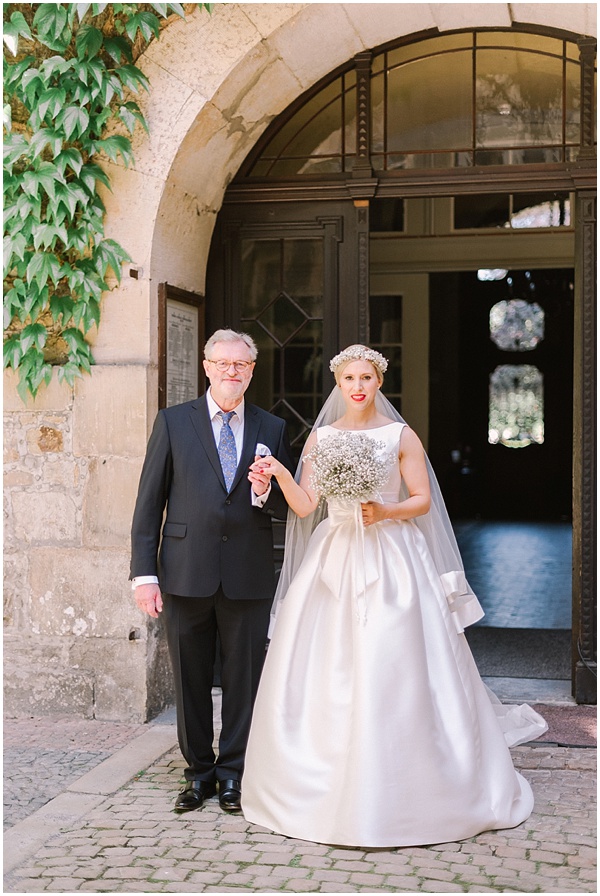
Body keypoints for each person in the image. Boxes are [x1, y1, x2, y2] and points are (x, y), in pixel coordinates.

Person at [242, 344, 547, 847]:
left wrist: (384, 512)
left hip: (392, 559)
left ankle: (412, 774)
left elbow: (423, 500)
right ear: (337, 384)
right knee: (326, 664)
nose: (358, 386)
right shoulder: (320, 438)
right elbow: (305, 507)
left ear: (378, 382)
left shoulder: (400, 436)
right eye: (348, 379)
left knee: (394, 658)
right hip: (334, 554)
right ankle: (321, 777)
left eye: (366, 377)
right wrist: (278, 474)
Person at [130, 328, 293, 814]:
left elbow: (288, 501)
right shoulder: (174, 422)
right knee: (191, 679)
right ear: (206, 367)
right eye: (222, 362)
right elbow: (148, 502)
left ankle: (233, 776)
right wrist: (144, 574)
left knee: (244, 679)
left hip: (247, 572)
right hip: (184, 571)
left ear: (251, 371)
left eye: (240, 364)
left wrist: (264, 490)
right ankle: (198, 773)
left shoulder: (272, 427)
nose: (231, 371)